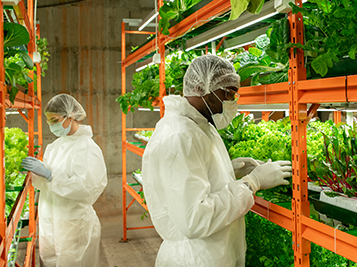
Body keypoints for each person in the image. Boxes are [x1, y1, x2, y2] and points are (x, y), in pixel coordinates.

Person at [142, 55, 292, 266]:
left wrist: (228, 171)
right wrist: (251, 183)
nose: (232, 101)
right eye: (228, 93)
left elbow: (192, 180)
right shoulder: (180, 136)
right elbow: (196, 218)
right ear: (202, 88)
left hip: (210, 254)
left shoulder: (200, 126)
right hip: (195, 258)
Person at [21, 94, 107, 267]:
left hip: (74, 225)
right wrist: (35, 173)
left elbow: (87, 188)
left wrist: (51, 176)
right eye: (49, 121)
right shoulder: (55, 146)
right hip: (50, 222)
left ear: (71, 116)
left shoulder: (87, 148)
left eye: (55, 120)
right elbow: (44, 185)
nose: (51, 125)